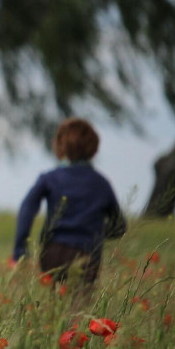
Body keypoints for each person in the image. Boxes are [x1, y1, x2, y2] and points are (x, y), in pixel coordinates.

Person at [10, 117, 126, 297]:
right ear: (93, 148)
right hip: (88, 253)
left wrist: (20, 250)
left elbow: (27, 208)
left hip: (53, 251)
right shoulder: (101, 183)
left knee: (55, 304)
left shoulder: (50, 178)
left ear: (60, 146)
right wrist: (96, 232)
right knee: (79, 307)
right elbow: (119, 227)